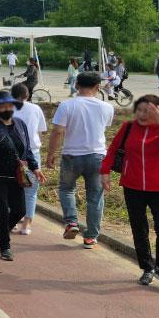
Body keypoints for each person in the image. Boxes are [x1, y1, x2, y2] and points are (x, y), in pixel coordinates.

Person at [99, 95, 159, 286]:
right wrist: (105, 171)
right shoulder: (128, 127)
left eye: (147, 111)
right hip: (132, 186)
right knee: (139, 228)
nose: (142, 114)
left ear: (158, 112)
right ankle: (148, 268)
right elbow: (113, 149)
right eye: (140, 110)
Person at [46, 72, 115, 249]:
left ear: (76, 85)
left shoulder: (67, 105)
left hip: (71, 156)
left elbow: (58, 131)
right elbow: (103, 128)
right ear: (98, 87)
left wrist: (50, 154)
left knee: (67, 189)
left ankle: (72, 223)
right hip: (97, 156)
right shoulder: (106, 107)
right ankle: (91, 237)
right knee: (95, 197)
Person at [0, 91, 44, 261]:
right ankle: (5, 246)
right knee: (1, 212)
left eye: (9, 105)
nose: (7, 109)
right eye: (2, 106)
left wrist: (35, 167)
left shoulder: (20, 124)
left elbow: (27, 150)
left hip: (16, 176)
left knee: (20, 210)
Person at [11, 82, 47, 236]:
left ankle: (11, 221)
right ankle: (26, 224)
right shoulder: (36, 108)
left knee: (11, 188)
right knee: (31, 191)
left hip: (11, 153)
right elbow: (41, 131)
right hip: (32, 153)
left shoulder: (7, 108)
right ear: (28, 95)